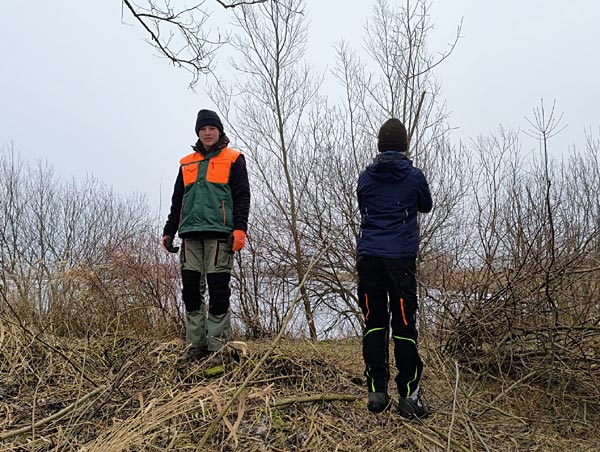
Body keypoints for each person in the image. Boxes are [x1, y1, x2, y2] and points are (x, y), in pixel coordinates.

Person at [356, 117, 432, 418]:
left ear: (379, 146)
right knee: (403, 325)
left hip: (370, 258)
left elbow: (364, 204)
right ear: (404, 146)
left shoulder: (366, 177)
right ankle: (409, 396)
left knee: (374, 322)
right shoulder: (414, 176)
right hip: (400, 260)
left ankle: (377, 391)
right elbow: (426, 204)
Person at [162, 109, 250, 363]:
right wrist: (169, 231)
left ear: (219, 131)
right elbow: (178, 200)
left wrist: (240, 229)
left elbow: (242, 196)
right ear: (198, 133)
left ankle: (218, 349)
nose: (208, 133)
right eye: (203, 129)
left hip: (220, 235)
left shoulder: (234, 159)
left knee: (218, 289)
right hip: (189, 235)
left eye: (212, 128)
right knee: (191, 291)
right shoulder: (186, 163)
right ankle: (196, 346)